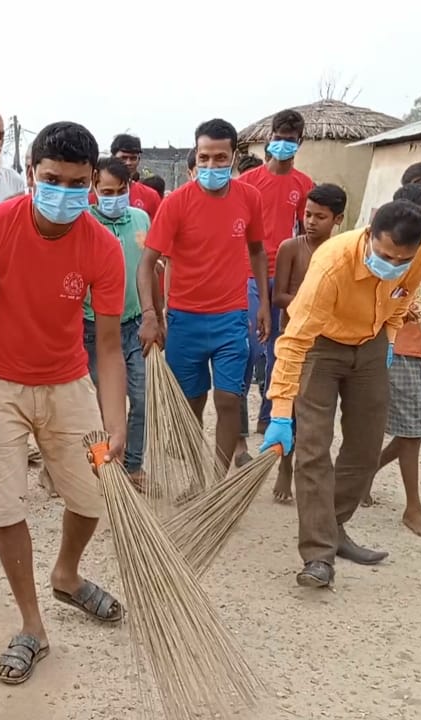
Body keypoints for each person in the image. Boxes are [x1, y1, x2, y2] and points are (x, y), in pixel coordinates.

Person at [0, 121, 128, 685]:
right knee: (5, 506)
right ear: (31, 175)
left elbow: (111, 345)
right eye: (51, 179)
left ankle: (67, 575)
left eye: (75, 183)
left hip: (70, 385)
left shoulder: (102, 246)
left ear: (93, 181)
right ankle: (32, 625)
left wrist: (115, 421)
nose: (63, 192)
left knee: (94, 493)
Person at [263, 200, 421, 588]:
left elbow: (403, 295)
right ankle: (318, 555)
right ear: (369, 234)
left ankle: (335, 526)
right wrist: (281, 410)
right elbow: (293, 340)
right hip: (320, 347)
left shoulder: (416, 254)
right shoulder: (331, 265)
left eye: (401, 259)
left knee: (366, 445)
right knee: (313, 447)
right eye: (385, 254)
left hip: (371, 345)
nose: (393, 263)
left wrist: (388, 338)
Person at [137, 118, 269, 472]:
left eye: (220, 158)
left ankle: (218, 480)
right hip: (185, 320)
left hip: (231, 317)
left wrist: (264, 306)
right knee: (191, 402)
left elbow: (257, 250)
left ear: (233, 158)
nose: (212, 165)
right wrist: (151, 315)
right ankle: (197, 477)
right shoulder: (177, 203)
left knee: (229, 398)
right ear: (196, 156)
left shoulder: (249, 198)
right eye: (205, 157)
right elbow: (146, 263)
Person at [369, 183, 421, 539]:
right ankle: (412, 508)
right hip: (400, 350)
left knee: (418, 431)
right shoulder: (394, 259)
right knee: (411, 433)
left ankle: (364, 471)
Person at [237, 109, 315, 446]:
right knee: (250, 347)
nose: (283, 144)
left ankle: (269, 415)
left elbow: (307, 233)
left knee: (279, 350)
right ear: (270, 138)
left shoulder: (304, 184)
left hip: (284, 277)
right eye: (278, 138)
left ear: (299, 142)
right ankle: (236, 418)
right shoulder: (248, 182)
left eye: (290, 140)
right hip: (249, 274)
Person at [269, 182, 346, 503]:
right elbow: (279, 296)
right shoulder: (291, 247)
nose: (311, 222)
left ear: (338, 219)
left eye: (320, 217)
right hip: (295, 339)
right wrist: (312, 302)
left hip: (327, 343)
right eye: (307, 214)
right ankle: (285, 468)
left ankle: (311, 472)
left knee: (317, 417)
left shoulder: (343, 250)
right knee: (288, 410)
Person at [84, 157, 154, 489]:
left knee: (141, 399)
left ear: (129, 187)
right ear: (94, 189)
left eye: (120, 190)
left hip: (134, 324)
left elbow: (151, 269)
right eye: (105, 191)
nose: (113, 197)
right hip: (92, 330)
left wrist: (155, 315)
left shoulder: (141, 219)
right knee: (100, 402)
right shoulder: (83, 222)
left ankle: (134, 465)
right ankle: (102, 464)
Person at [109, 133, 162, 218]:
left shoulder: (151, 196)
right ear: (112, 158)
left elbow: (158, 228)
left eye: (133, 158)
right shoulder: (98, 196)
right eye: (123, 158)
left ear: (139, 160)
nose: (128, 163)